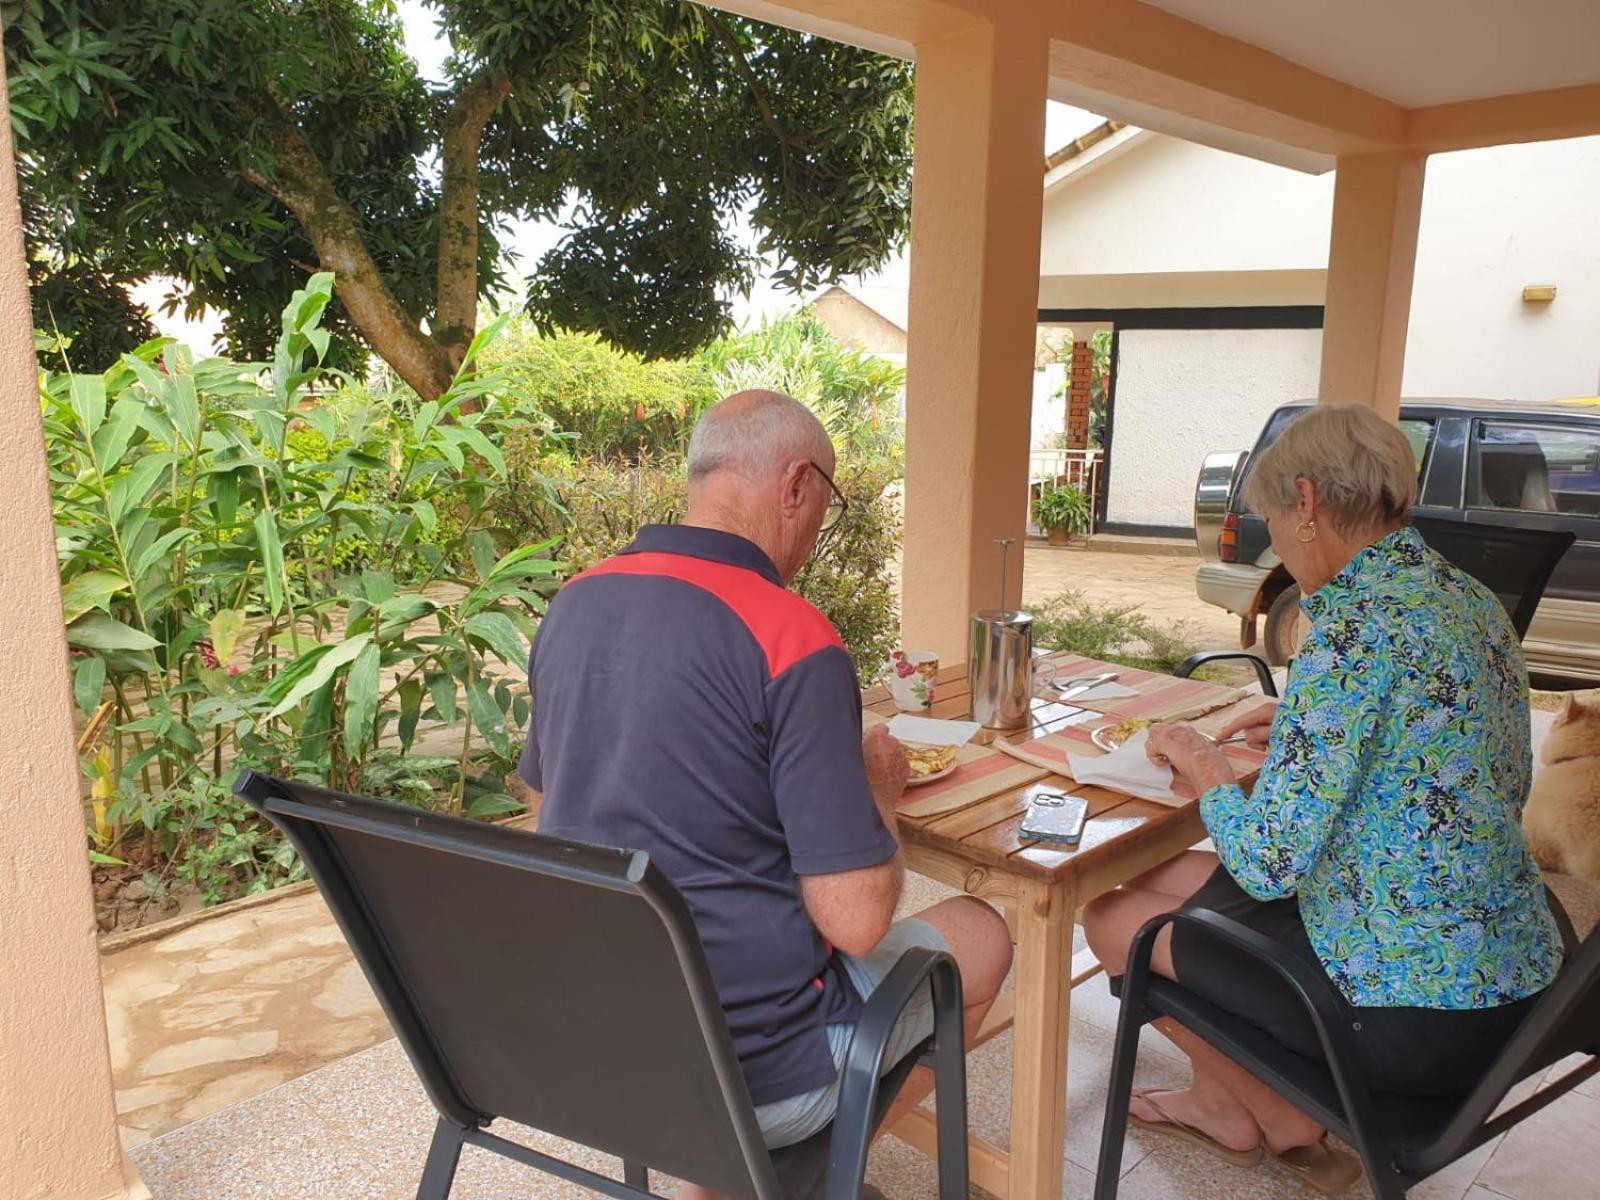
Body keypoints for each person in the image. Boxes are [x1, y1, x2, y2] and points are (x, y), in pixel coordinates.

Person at [519, 390, 1012, 1197]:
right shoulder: (791, 636)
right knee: (983, 934)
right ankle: (792, 1181)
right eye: (828, 500)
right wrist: (875, 791)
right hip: (750, 1073)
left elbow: (552, 820)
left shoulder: (576, 600)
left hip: (604, 1042)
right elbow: (855, 925)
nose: (820, 528)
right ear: (795, 486)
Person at [1082, 404, 1564, 1194]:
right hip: (1506, 971)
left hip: (1409, 1010)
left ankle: (1276, 1112)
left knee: (1109, 915)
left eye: (1272, 517)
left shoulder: (1353, 630)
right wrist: (1306, 724)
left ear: (1306, 503)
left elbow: (1270, 864)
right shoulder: (1468, 599)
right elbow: (1453, 751)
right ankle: (1223, 1104)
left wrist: (1203, 760)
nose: (1274, 539)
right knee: (1165, 886)